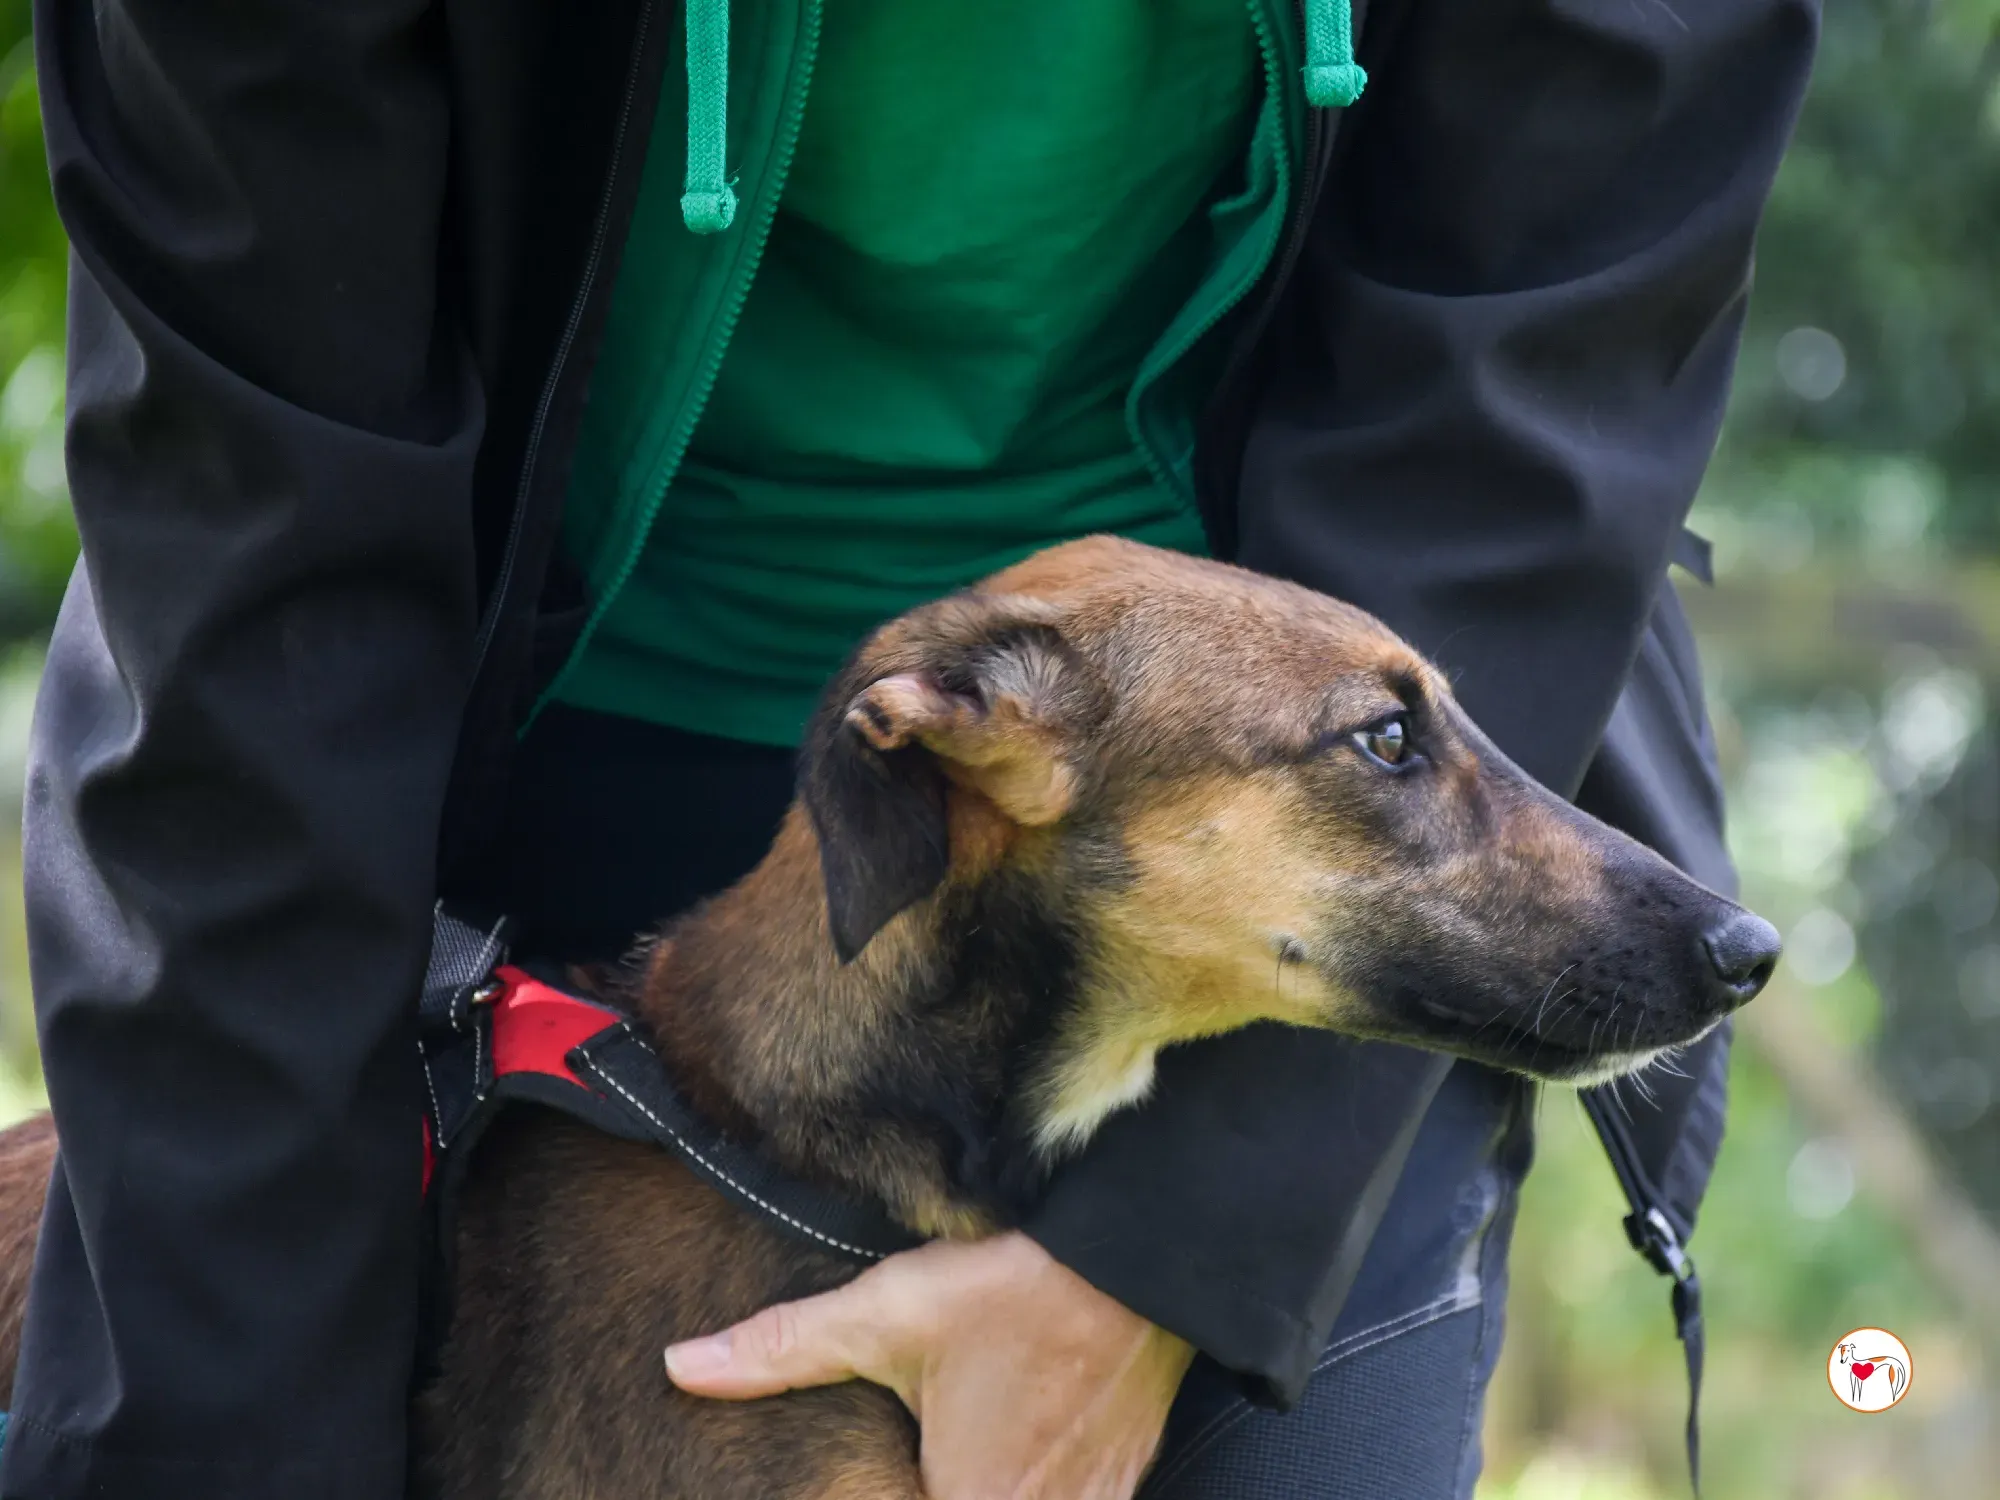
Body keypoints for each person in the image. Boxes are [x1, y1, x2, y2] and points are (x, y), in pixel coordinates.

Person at [6, 0, 1817, 1496]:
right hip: (480, 779)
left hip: (1233, 810)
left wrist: (1165, 1263)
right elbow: (249, 571)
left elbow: (1538, 393)